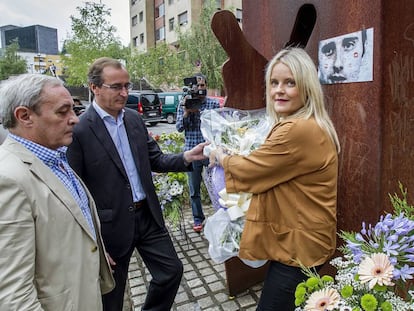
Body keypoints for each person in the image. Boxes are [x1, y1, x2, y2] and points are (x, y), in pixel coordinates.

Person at [66, 57, 208, 311]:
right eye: (116, 87)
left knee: (171, 272)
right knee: (113, 296)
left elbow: (156, 159)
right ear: (94, 87)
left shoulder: (133, 119)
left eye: (127, 86)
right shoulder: (80, 131)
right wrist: (92, 243)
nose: (124, 93)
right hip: (110, 226)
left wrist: (187, 157)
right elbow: (73, 191)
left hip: (148, 217)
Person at [209, 47, 341, 310]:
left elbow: (250, 171)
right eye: (274, 82)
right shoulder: (308, 123)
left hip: (299, 248)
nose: (279, 90)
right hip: (304, 241)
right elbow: (271, 166)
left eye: (290, 82)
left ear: (307, 87)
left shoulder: (297, 129)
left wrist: (220, 155)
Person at [0, 74, 114, 310]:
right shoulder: (9, 179)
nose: (75, 120)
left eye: (73, 110)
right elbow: (13, 295)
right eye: (63, 112)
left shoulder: (53, 157)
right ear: (24, 116)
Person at [176, 73, 220, 232]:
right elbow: (179, 127)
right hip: (192, 152)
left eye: (202, 85)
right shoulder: (184, 103)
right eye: (197, 86)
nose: (200, 88)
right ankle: (197, 219)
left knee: (217, 186)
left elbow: (218, 127)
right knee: (194, 190)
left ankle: (220, 217)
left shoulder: (213, 104)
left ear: (206, 86)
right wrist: (187, 112)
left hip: (210, 153)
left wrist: (201, 113)